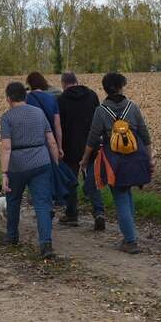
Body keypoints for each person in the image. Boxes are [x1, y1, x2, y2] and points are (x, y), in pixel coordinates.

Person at [79, 72, 154, 254]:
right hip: (135, 158)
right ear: (122, 87)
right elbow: (145, 135)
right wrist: (149, 159)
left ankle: (130, 241)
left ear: (105, 88)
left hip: (114, 160)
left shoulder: (101, 111)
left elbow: (92, 137)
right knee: (127, 194)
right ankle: (130, 234)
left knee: (120, 197)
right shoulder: (133, 107)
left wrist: (85, 158)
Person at [0, 81, 59, 259]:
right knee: (42, 204)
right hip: (41, 161)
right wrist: (55, 162)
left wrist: (4, 173)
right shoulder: (39, 113)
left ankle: (12, 236)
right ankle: (46, 244)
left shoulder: (7, 117)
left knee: (14, 199)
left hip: (17, 165)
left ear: (9, 98)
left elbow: (6, 148)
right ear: (25, 96)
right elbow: (52, 141)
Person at [56, 71, 105, 229]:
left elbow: (60, 126)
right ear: (77, 81)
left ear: (63, 84)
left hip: (70, 146)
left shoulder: (61, 99)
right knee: (92, 179)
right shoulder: (91, 95)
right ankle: (98, 212)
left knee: (71, 180)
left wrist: (59, 147)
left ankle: (72, 215)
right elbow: (98, 118)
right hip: (91, 145)